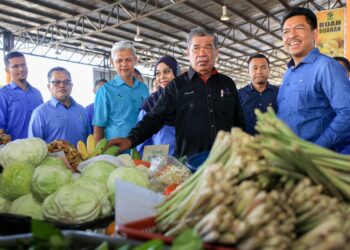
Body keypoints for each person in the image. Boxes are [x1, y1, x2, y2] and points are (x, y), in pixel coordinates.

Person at [109, 27, 245, 158]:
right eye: (196, 48)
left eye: (208, 47)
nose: (202, 54)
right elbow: (155, 117)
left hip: (225, 161)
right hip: (189, 163)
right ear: (188, 53)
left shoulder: (228, 84)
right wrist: (131, 140)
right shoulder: (177, 86)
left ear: (217, 52)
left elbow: (239, 123)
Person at [277, 7, 350, 152]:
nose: (291, 35)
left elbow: (347, 112)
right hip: (291, 157)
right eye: (286, 32)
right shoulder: (288, 73)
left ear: (314, 33)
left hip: (317, 161)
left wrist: (316, 148)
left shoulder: (326, 66)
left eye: (298, 28)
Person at [93, 41, 149, 142]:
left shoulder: (143, 88)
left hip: (141, 146)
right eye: (119, 61)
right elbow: (98, 127)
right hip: (115, 150)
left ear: (135, 60)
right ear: (112, 62)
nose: (124, 64)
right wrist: (99, 154)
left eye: (128, 60)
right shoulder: (105, 91)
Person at [28, 67, 90, 146]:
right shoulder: (40, 113)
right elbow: (34, 146)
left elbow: (89, 141)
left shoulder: (82, 111)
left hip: (83, 158)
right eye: (56, 82)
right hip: (53, 158)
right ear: (48, 86)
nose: (62, 85)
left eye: (66, 82)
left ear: (71, 85)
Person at [136, 55, 181, 156]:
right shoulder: (150, 105)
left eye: (167, 71)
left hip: (187, 162)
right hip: (160, 164)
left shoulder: (188, 100)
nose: (162, 77)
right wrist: (156, 162)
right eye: (158, 73)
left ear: (176, 73)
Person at [0, 51, 43, 140]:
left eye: (23, 65)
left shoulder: (37, 93)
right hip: (13, 151)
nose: (21, 69)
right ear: (7, 70)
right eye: (15, 66)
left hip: (38, 149)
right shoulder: (3, 94)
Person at [238, 54, 279, 135]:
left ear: (269, 70)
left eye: (263, 67)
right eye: (255, 68)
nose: (259, 71)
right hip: (247, 144)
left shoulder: (279, 93)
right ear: (248, 72)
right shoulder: (239, 95)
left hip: (274, 144)